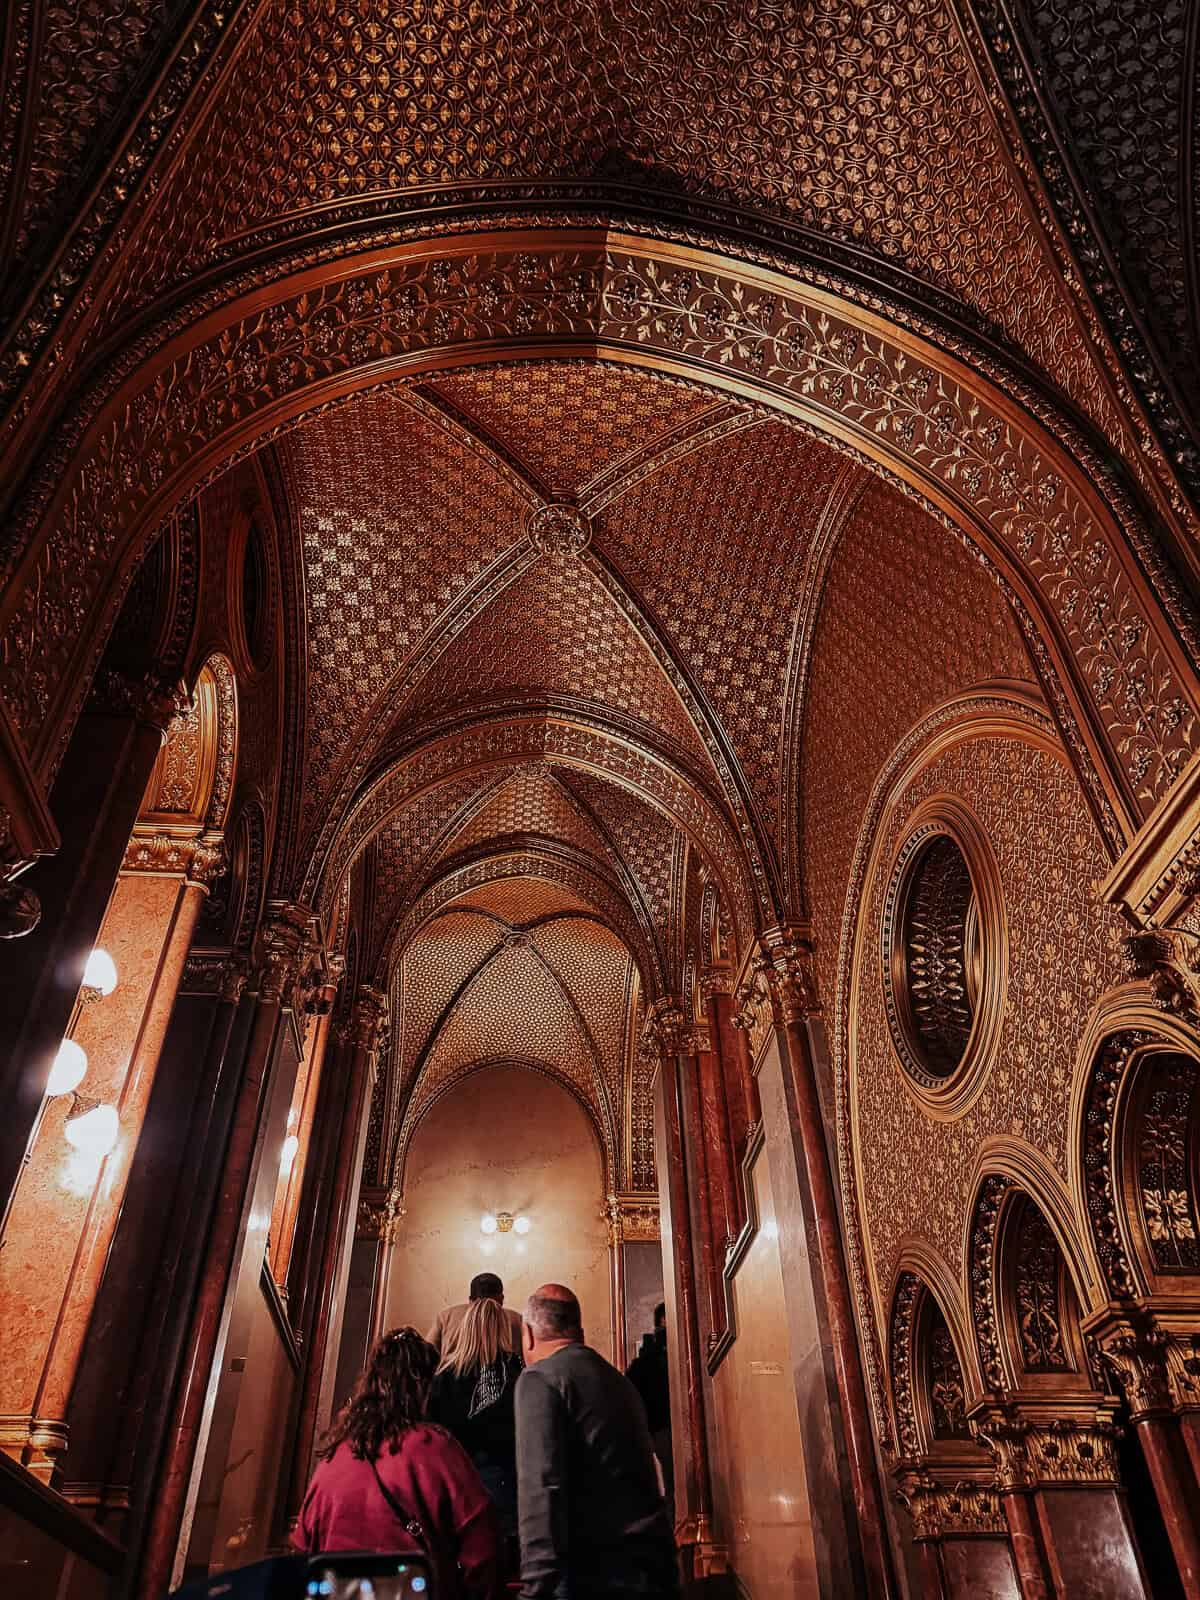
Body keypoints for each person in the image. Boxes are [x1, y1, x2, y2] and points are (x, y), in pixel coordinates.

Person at [293, 1326, 502, 1600]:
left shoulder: (333, 1458)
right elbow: (483, 1547)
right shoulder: (436, 1449)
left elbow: (302, 1550)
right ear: (423, 1389)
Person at [515, 1284, 677, 1599]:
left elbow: (541, 1487)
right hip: (654, 1572)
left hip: (591, 1578)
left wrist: (534, 1591)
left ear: (529, 1334)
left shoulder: (540, 1379)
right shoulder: (619, 1382)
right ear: (580, 1332)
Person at [431, 1297, 523, 1562]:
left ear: (467, 1326)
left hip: (456, 1482)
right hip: (505, 1481)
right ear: (502, 1329)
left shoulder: (444, 1376)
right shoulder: (515, 1369)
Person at [624, 1302, 672, 1528]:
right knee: (672, 1483)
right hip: (663, 1425)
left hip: (660, 1425)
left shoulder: (649, 1356)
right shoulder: (652, 1355)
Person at [428, 1271, 523, 1356]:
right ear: (501, 1299)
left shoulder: (446, 1317)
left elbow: (427, 1355)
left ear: (470, 1301)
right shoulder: (517, 1319)